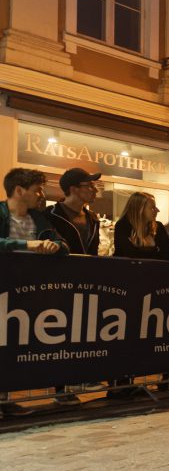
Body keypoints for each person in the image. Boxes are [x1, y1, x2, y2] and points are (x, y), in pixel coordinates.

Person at [0, 169, 68, 417]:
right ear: (19, 190)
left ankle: (4, 399)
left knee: (13, 345)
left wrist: (54, 246)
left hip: (28, 293)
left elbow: (63, 245)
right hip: (3, 290)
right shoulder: (1, 213)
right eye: (37, 190)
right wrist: (27, 244)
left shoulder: (39, 218)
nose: (41, 194)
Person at [46, 168, 101, 255]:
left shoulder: (93, 218)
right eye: (90, 185)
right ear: (74, 189)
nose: (96, 190)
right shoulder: (51, 214)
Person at [113, 192, 169, 260]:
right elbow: (129, 255)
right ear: (139, 209)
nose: (157, 210)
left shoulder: (158, 227)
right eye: (152, 208)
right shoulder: (122, 226)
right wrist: (156, 251)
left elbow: (168, 255)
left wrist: (139, 252)